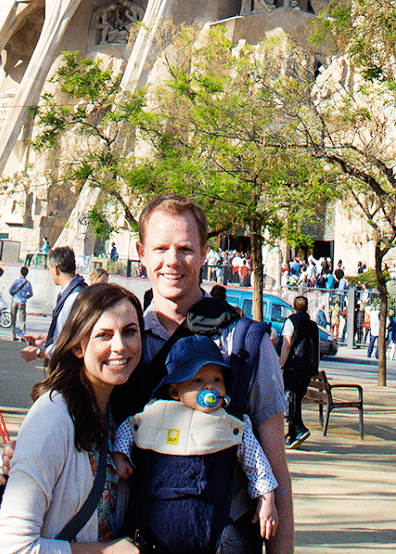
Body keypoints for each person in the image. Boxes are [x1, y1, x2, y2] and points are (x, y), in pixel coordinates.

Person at [118, 194, 293, 554]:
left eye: (185, 248)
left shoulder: (246, 344)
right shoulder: (120, 342)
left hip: (222, 538)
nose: (172, 261)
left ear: (204, 253)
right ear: (141, 252)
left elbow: (275, 464)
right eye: (160, 248)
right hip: (134, 537)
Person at [0, 282, 144, 554]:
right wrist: (105, 551)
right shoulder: (52, 416)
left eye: (130, 332)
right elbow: (11, 548)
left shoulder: (113, 411)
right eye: (104, 335)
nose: (120, 346)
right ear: (78, 347)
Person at [114, 336, 277, 553]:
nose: (209, 386)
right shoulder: (155, 414)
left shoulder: (232, 423)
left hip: (212, 522)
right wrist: (120, 454)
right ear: (174, 391)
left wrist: (266, 499)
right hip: (156, 527)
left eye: (217, 380)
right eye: (197, 381)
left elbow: (256, 463)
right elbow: (128, 429)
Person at [22, 245, 87, 363]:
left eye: (49, 269)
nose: (50, 273)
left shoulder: (73, 299)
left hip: (70, 369)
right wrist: (46, 339)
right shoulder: (78, 291)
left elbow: (68, 344)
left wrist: (39, 352)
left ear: (56, 269)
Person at [279, 295, 319, 449]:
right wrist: (315, 366)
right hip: (307, 367)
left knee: (290, 398)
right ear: (307, 308)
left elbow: (287, 344)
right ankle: (292, 436)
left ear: (293, 307)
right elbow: (316, 349)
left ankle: (300, 429)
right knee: (295, 400)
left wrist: (281, 364)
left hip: (293, 366)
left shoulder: (291, 321)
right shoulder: (313, 326)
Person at [9, 265, 34, 341]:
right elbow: (31, 294)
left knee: (13, 318)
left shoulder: (16, 281)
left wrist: (14, 294)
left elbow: (10, 290)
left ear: (20, 272)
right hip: (22, 302)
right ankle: (22, 336)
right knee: (22, 320)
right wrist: (25, 297)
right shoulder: (28, 283)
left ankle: (13, 335)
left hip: (15, 301)